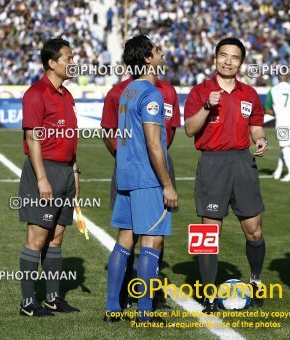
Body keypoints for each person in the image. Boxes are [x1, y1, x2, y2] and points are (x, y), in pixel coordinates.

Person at [184, 37, 268, 313]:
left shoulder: (250, 93)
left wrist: (260, 139)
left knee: (254, 230)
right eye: (223, 55)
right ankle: (208, 295)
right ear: (215, 58)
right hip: (212, 163)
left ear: (241, 63)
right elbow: (189, 129)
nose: (228, 61)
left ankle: (255, 283)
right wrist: (207, 106)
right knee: (209, 232)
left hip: (243, 162)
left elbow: (256, 125)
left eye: (234, 57)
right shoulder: (201, 91)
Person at [103, 35, 177, 324]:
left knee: (124, 240)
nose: (162, 52)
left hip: (126, 174)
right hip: (147, 177)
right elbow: (154, 143)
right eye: (157, 49)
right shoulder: (151, 93)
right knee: (152, 241)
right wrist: (167, 183)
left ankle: (112, 307)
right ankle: (145, 312)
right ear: (147, 59)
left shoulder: (128, 91)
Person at [18, 38, 80, 317]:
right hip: (45, 171)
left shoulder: (67, 95)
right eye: (68, 58)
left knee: (57, 237)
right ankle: (28, 303)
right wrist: (42, 179)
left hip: (66, 172)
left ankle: (54, 298)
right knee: (37, 237)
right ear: (52, 63)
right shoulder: (35, 94)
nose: (72, 62)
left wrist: (75, 173)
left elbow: (71, 138)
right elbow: (32, 138)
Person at [264, 73, 290, 182]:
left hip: (282, 121)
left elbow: (267, 109)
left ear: (278, 78)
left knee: (285, 146)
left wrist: (275, 113)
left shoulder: (272, 90)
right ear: (288, 78)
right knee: (285, 145)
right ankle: (278, 171)